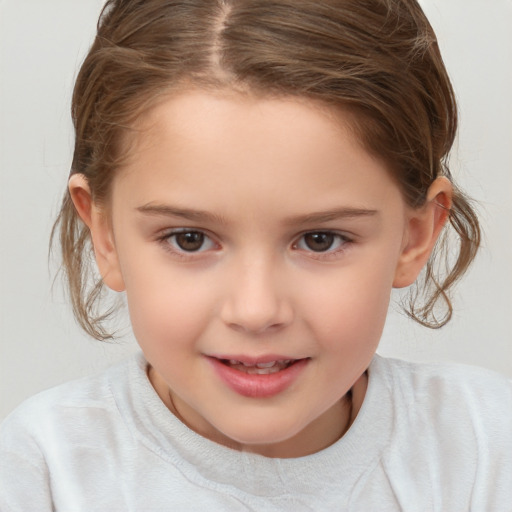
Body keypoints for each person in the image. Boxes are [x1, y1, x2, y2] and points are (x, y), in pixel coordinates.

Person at [1, 0, 510, 510]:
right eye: (189, 239)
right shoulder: (41, 469)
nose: (256, 310)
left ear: (414, 236)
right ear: (105, 235)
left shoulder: (485, 448)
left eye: (320, 240)